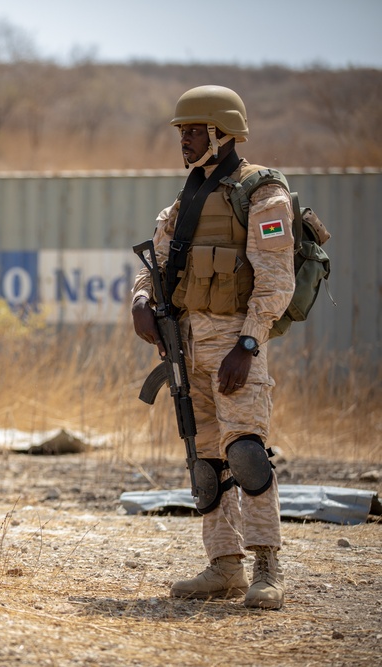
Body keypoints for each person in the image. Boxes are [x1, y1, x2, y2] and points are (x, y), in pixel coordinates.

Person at [131, 85, 294, 609]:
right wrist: (139, 302)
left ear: (222, 133)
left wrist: (248, 343)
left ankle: (267, 566)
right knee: (204, 458)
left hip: (234, 339)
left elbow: (275, 280)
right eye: (181, 131)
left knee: (245, 452)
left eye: (193, 131)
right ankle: (224, 566)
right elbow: (154, 265)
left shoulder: (263, 195)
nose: (183, 139)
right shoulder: (187, 198)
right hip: (187, 345)